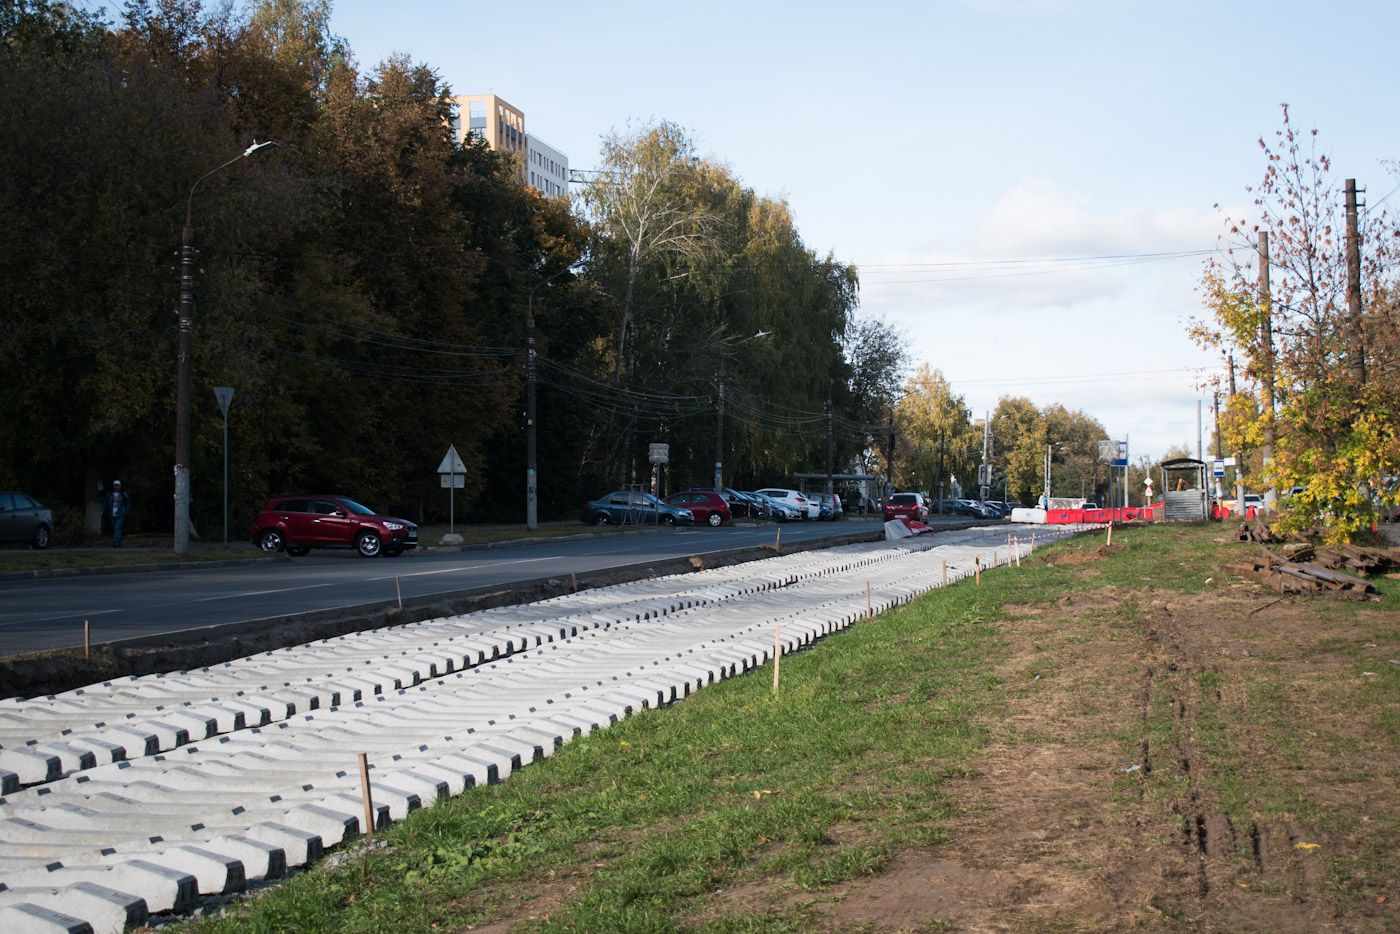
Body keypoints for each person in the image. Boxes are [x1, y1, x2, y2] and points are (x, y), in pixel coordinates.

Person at [103, 480, 130, 547]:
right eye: (115, 485)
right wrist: (102, 510)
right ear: (113, 486)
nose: (116, 486)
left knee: (117, 527)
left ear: (120, 486)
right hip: (112, 513)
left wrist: (125, 511)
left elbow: (128, 504)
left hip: (120, 513)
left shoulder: (124, 494)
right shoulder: (110, 495)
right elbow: (105, 503)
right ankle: (119, 541)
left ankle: (116, 542)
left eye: (117, 485)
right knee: (116, 528)